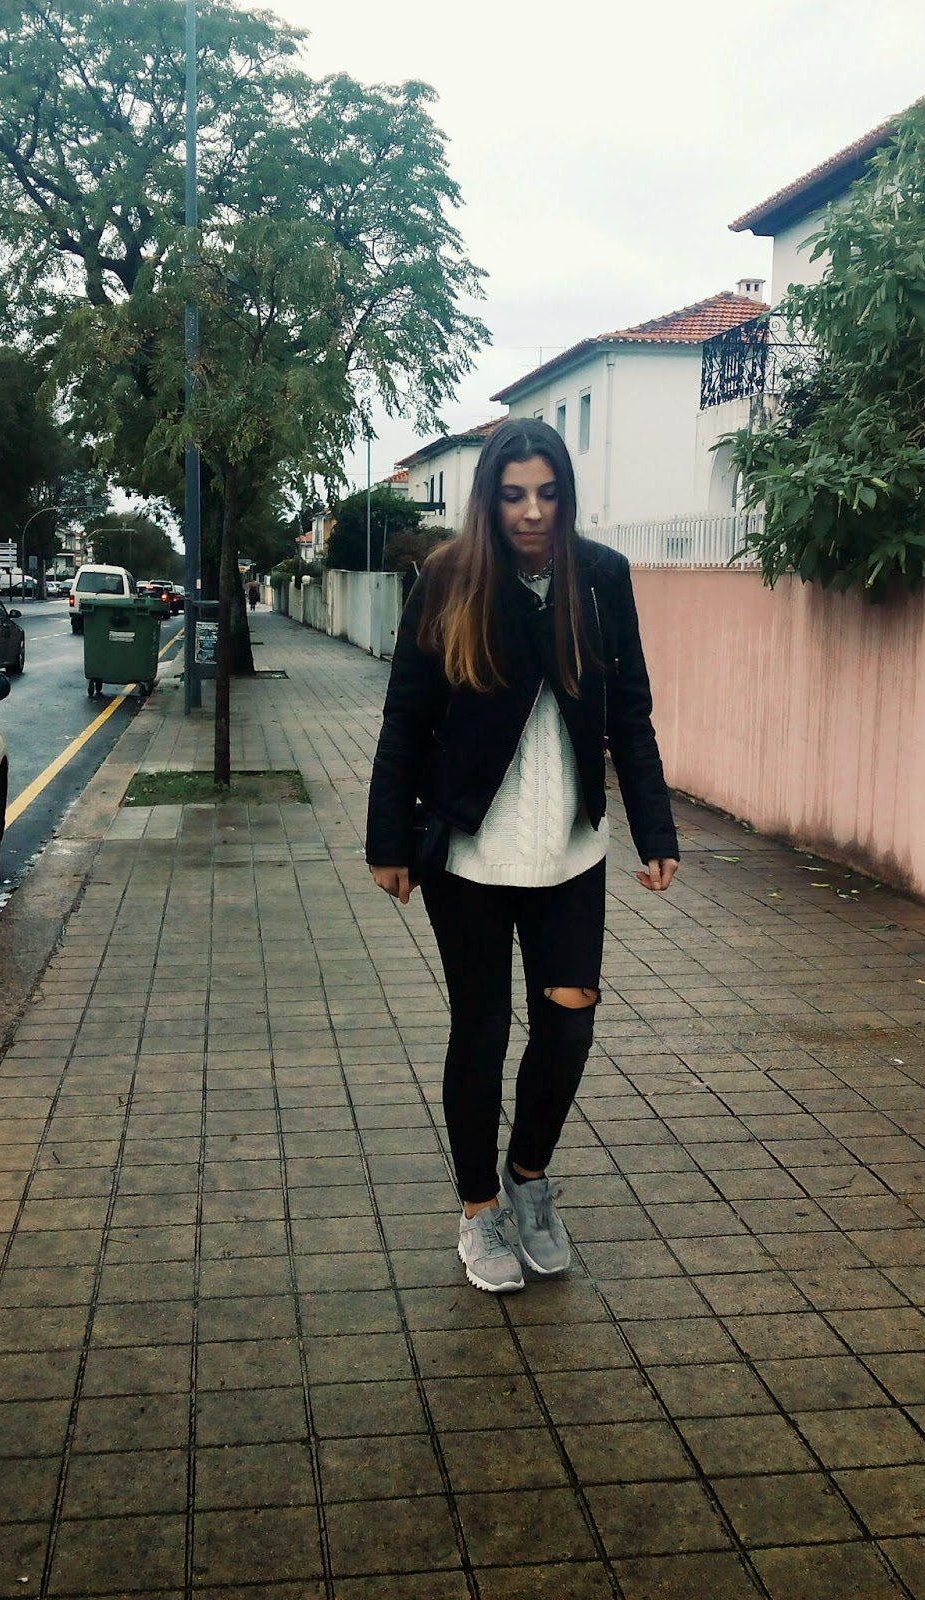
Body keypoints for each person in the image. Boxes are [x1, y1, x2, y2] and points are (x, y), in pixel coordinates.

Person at [366, 417, 679, 1293]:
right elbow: (405, 716)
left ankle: (528, 1178)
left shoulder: (601, 578)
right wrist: (388, 840)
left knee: (569, 1023)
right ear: (490, 500)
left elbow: (631, 713)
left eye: (547, 494)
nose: (532, 512)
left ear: (566, 495)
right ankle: (478, 1211)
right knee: (482, 1029)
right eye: (513, 496)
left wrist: (655, 828)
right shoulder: (449, 579)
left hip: (571, 845)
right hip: (469, 848)